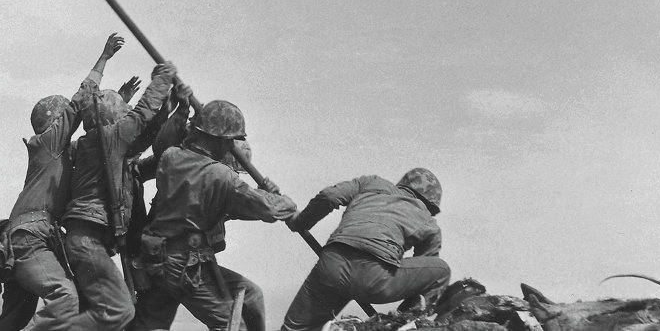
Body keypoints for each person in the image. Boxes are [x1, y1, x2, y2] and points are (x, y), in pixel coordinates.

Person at [0, 33, 125, 331]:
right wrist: (103, 59)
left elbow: (101, 137)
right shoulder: (48, 143)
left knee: (14, 319)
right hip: (30, 239)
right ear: (54, 121)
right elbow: (79, 103)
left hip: (28, 238)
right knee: (65, 297)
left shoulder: (60, 155)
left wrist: (120, 102)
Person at [130, 100, 297, 331]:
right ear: (219, 139)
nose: (231, 146)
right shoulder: (220, 176)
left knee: (250, 295)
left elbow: (238, 207)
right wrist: (281, 199)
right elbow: (268, 209)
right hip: (186, 266)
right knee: (233, 326)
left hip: (158, 258)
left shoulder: (172, 157)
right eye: (229, 140)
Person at [60, 61, 180, 331]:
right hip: (88, 241)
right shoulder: (107, 139)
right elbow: (140, 118)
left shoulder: (100, 146)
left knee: (111, 312)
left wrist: (165, 116)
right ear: (111, 119)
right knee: (121, 310)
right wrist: (162, 79)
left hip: (90, 240)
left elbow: (141, 138)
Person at [279, 168, 451, 331]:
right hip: (375, 278)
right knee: (441, 270)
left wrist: (300, 222)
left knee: (294, 328)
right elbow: (421, 284)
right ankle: (405, 322)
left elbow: (329, 196)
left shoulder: (372, 183)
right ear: (431, 204)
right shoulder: (428, 222)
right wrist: (401, 316)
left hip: (331, 266)